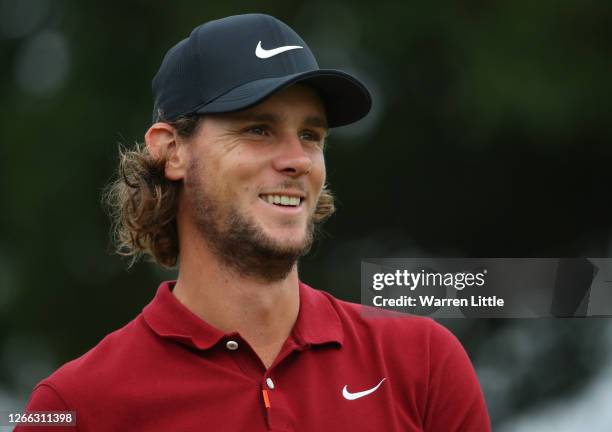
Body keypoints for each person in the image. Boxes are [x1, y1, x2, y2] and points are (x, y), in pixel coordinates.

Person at [16, 14, 490, 431]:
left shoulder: (423, 364)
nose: (297, 160)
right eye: (258, 129)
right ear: (170, 150)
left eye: (310, 134)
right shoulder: (75, 409)